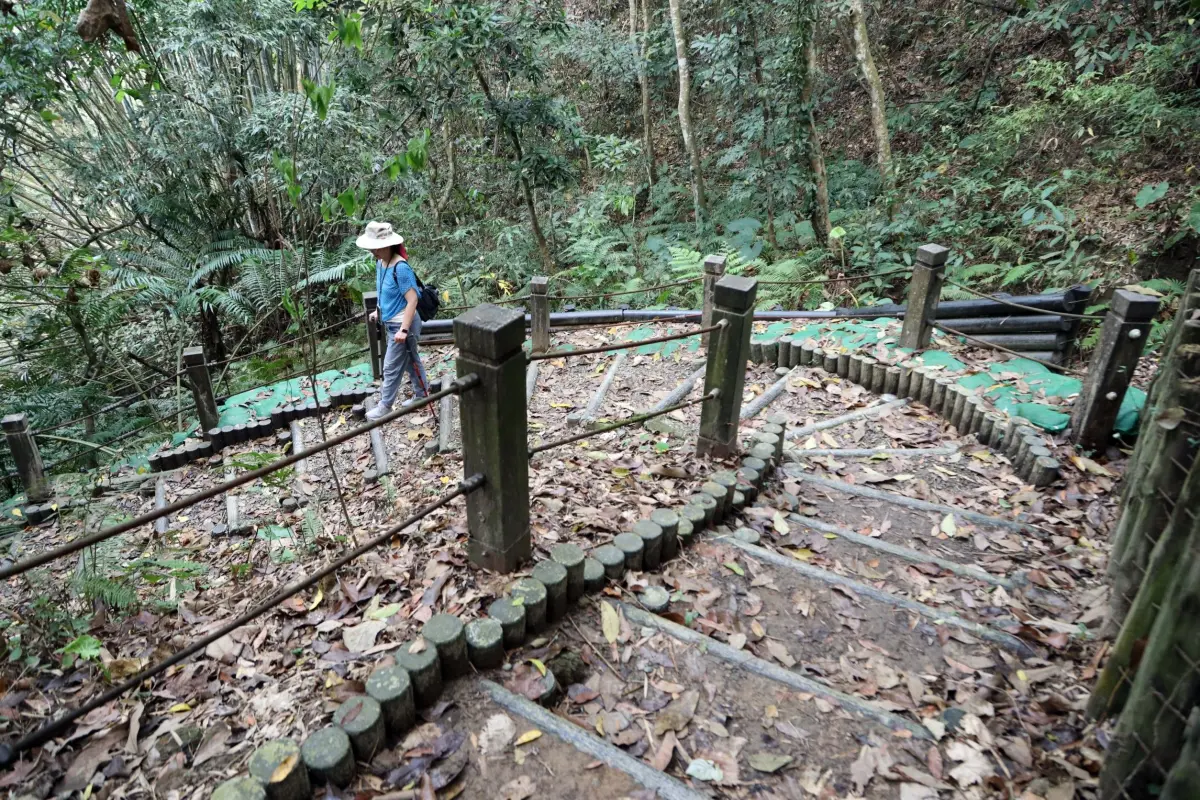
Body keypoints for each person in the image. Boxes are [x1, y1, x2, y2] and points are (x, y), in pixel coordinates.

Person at [355, 221, 430, 420]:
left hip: (404, 325)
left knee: (389, 367)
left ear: (388, 245)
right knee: (411, 361)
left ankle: (385, 406)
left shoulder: (401, 268)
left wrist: (403, 330)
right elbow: (384, 291)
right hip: (392, 324)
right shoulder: (381, 264)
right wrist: (378, 311)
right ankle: (422, 394)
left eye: (377, 248)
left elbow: (412, 300)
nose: (373, 252)